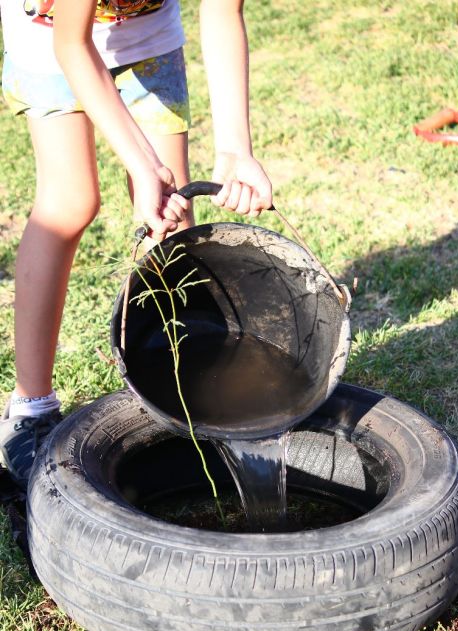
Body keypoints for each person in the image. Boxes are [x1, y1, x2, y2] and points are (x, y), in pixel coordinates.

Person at [0, 0, 272, 487]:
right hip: (49, 34)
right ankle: (29, 407)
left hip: (148, 36)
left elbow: (222, 11)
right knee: (70, 202)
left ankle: (175, 392)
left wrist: (235, 148)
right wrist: (142, 163)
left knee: (172, 215)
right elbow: (70, 42)